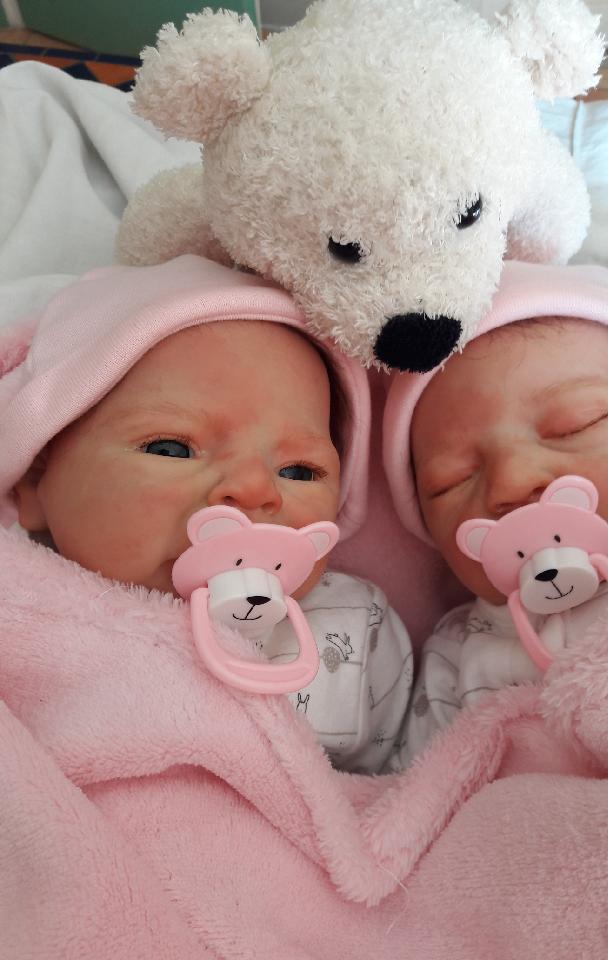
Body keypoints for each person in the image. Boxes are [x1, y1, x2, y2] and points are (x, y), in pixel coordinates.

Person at [0, 254, 412, 773]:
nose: (255, 489)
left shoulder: (353, 628)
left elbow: (400, 785)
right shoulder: (18, 604)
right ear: (36, 482)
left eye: (299, 471)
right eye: (171, 449)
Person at [383, 260, 608, 767]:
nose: (512, 481)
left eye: (575, 426)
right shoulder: (459, 658)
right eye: (451, 480)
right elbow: (420, 794)